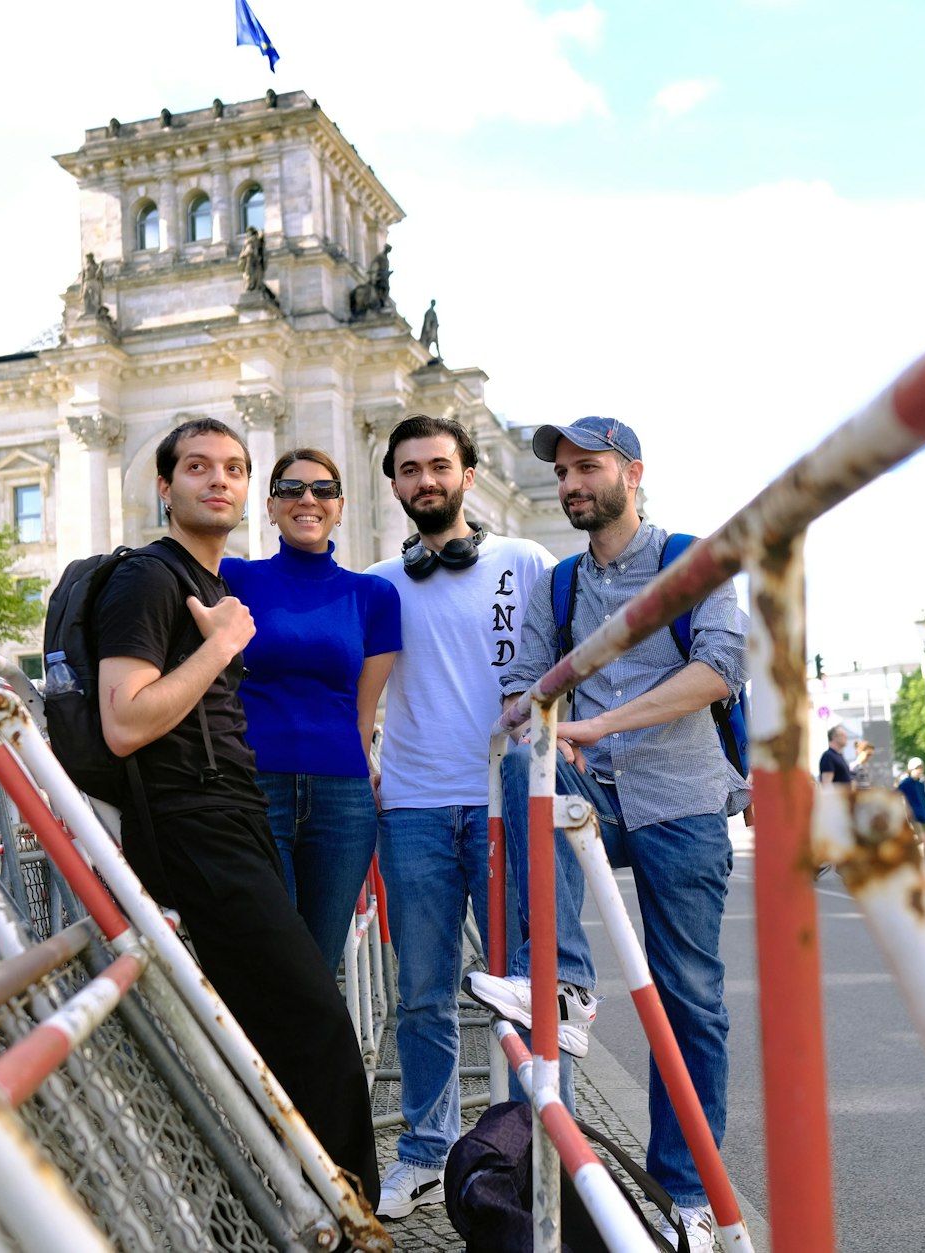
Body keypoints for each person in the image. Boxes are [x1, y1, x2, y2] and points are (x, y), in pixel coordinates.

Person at [472, 416, 750, 1251]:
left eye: (587, 467)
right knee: (526, 763)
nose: (571, 483)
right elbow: (523, 685)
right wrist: (532, 713)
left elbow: (719, 670)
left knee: (689, 995)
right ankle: (566, 983)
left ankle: (687, 1191)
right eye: (561, 471)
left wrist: (597, 725)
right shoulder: (557, 586)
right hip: (589, 786)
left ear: (634, 472)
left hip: (680, 795)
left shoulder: (691, 560)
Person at [91, 417, 378, 1209]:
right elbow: (125, 722)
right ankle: (340, 1210)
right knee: (313, 1015)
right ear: (164, 485)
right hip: (194, 820)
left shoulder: (214, 585)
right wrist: (220, 648)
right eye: (196, 467)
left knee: (273, 1016)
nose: (217, 480)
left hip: (233, 810)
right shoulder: (151, 579)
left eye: (233, 467)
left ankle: (261, 1198)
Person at [365, 414, 553, 1220]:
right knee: (422, 994)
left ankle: (538, 1146)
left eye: (439, 465)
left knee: (526, 990)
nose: (425, 481)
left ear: (468, 475)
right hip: (410, 807)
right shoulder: (378, 582)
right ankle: (425, 1150)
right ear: (397, 485)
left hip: (504, 807)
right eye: (409, 470)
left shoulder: (525, 561)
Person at [221, 448, 401, 972]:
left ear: (340, 507)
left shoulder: (374, 596)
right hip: (255, 789)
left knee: (318, 964)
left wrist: (363, 768)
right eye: (292, 489)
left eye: (323, 491)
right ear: (271, 506)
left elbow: (363, 713)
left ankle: (310, 1057)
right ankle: (257, 1057)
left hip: (342, 801)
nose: (308, 500)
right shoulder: (235, 578)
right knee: (269, 956)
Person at [898, 757, 925, 859]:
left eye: (921, 768)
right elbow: (897, 794)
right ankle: (904, 851)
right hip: (914, 815)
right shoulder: (906, 783)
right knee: (922, 838)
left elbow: (924, 801)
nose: (919, 770)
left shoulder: (920, 784)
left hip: (923, 814)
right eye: (917, 768)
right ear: (911, 769)